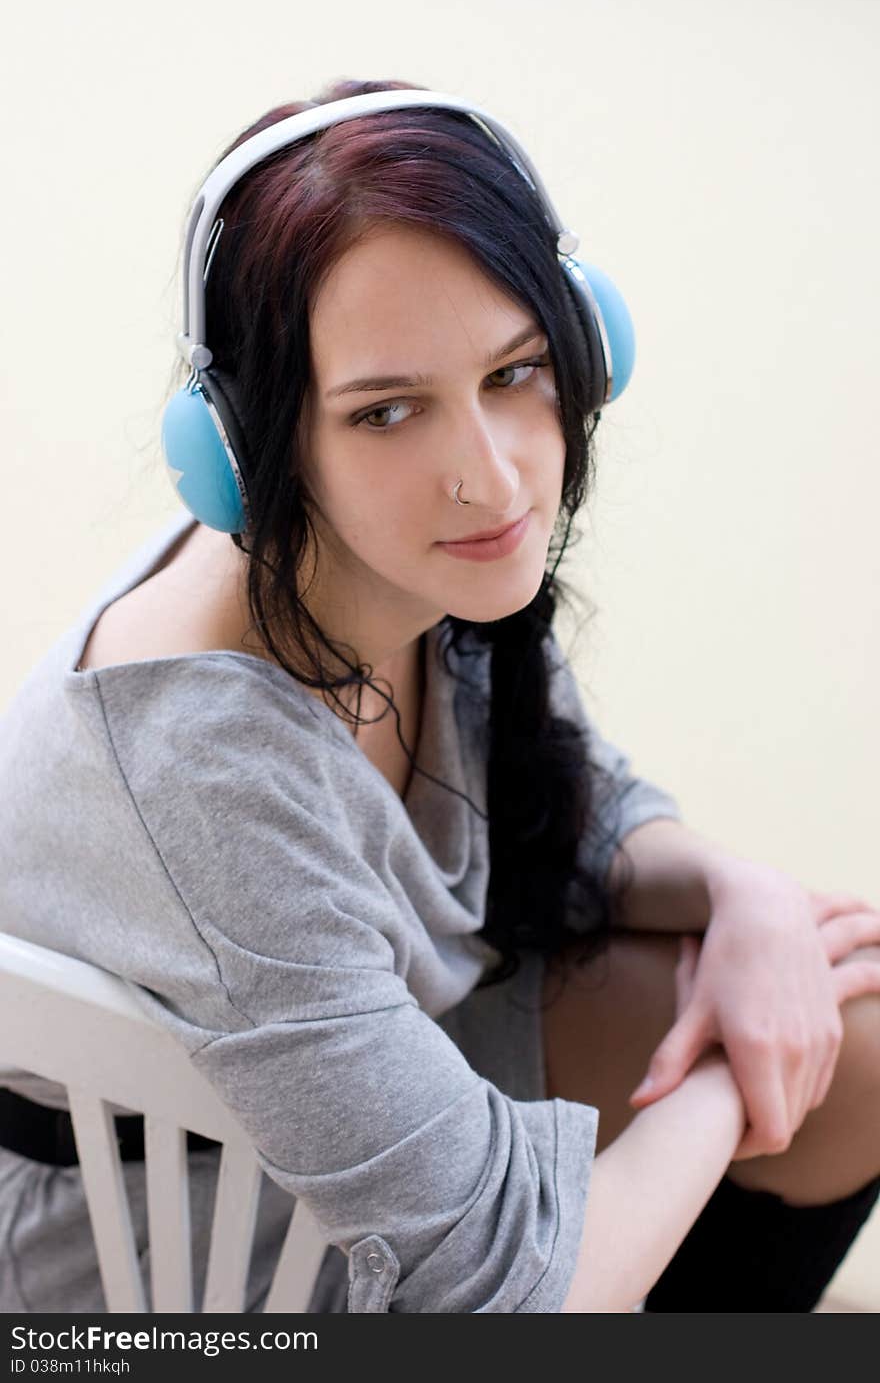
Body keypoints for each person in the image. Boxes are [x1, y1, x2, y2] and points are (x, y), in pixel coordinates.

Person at [1, 77, 879, 1315]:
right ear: (254, 447)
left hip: (361, 1081)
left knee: (858, 1028)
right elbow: (524, 1302)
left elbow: (566, 806)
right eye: (388, 411)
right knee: (793, 1052)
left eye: (517, 372)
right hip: (167, 1251)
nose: (488, 472)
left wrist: (752, 904)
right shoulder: (205, 766)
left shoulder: (393, 557)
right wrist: (733, 1065)